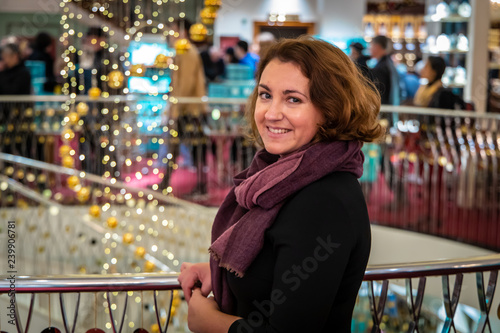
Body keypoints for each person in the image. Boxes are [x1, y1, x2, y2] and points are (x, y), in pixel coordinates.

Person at [178, 36, 383, 332]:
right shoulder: (280, 178)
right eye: (265, 95)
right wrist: (219, 272)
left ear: (330, 108)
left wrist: (211, 323)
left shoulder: (323, 200)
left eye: (293, 99)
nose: (271, 114)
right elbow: (279, 267)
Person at [369, 35, 401, 105]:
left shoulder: (382, 67)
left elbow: (379, 94)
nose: (369, 49)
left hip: (385, 109)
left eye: (371, 46)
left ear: (377, 46)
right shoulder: (388, 64)